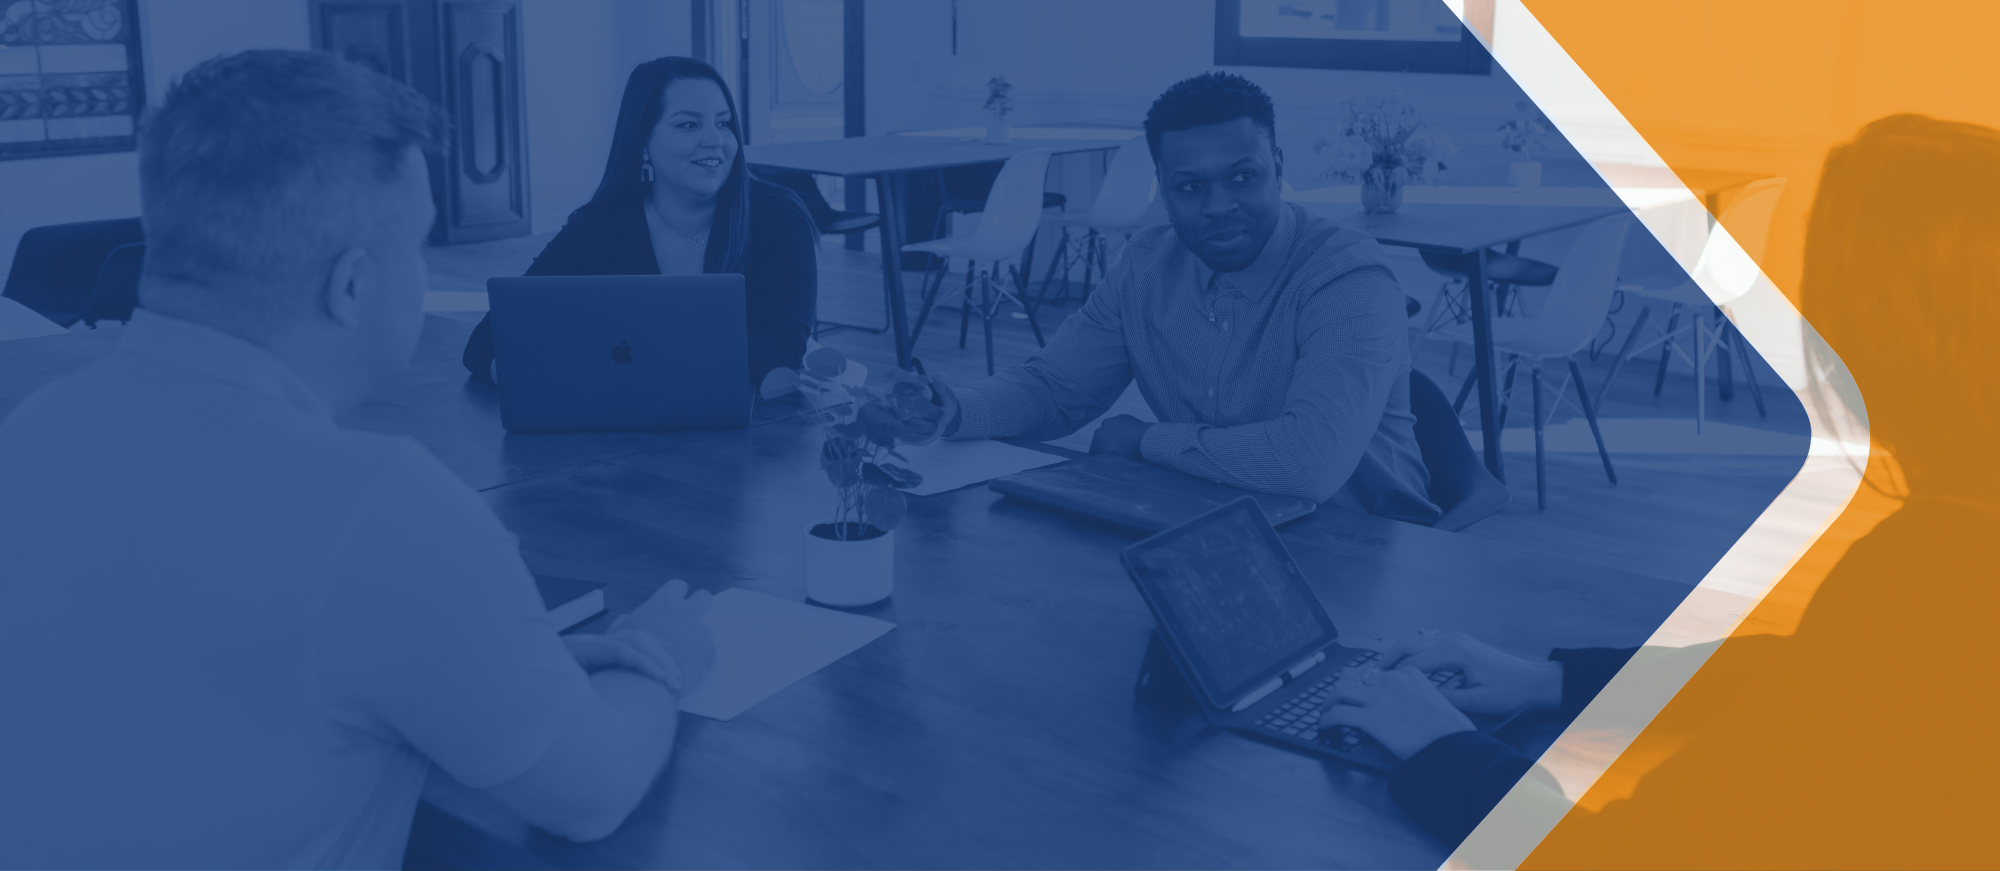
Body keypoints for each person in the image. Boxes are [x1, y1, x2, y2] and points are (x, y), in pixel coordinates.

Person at [0, 51, 716, 868]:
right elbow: (592, 793)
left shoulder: (36, 425)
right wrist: (660, 659)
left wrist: (501, 663)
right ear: (351, 287)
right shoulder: (381, 506)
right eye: (415, 244)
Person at [1320, 114, 2000, 866]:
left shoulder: (1937, 579)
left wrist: (1440, 744)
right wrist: (1551, 679)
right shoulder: (1956, 555)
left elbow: (1628, 851)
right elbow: (1825, 671)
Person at [933, 72, 1438, 521]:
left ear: (1277, 167)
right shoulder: (1146, 265)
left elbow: (1308, 464)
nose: (1219, 206)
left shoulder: (1348, 276)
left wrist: (1143, 440)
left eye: (1243, 177)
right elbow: (1055, 390)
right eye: (1190, 186)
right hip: (1206, 518)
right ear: (1164, 189)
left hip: (1359, 540)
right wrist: (951, 411)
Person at [460, 57, 816, 387]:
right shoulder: (599, 225)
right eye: (689, 124)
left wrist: (614, 365)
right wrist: (525, 377)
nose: (715, 141)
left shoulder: (779, 217)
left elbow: (781, 351)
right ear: (643, 143)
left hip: (755, 431)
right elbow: (489, 337)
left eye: (723, 124)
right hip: (622, 432)